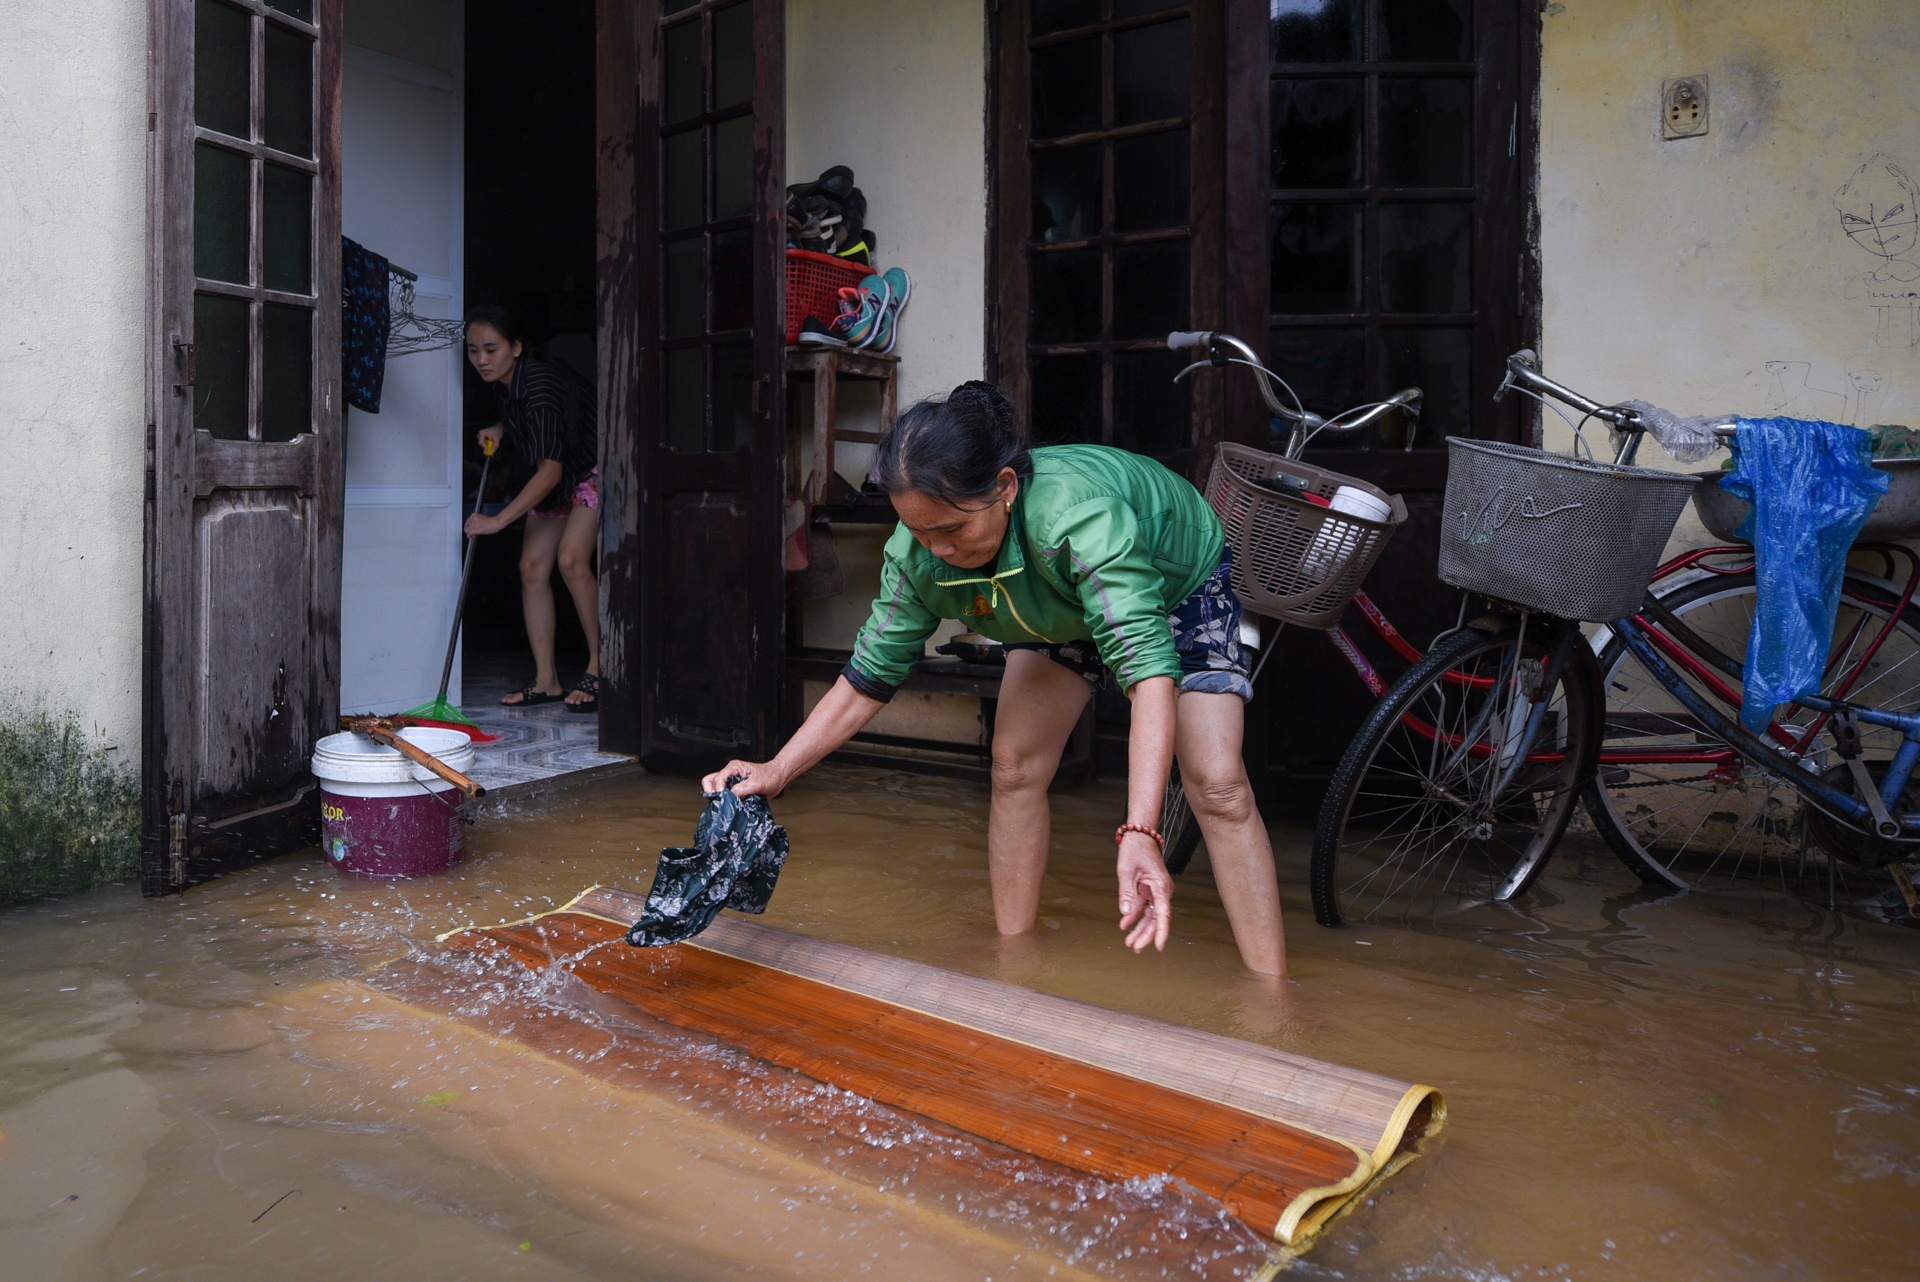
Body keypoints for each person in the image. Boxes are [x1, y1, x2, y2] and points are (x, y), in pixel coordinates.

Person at [702, 382, 1287, 977]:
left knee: (1217, 787)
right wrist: (777, 770)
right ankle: (1015, 964)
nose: (939, 550)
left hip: (1173, 581)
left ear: (1005, 488)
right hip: (1051, 597)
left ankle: (1275, 996)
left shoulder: (1077, 519)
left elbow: (1146, 672)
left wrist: (1141, 829)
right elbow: (870, 676)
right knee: (1014, 765)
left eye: (952, 529)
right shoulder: (918, 551)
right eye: (920, 530)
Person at [461, 304, 601, 711]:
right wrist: (501, 427)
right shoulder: (508, 384)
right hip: (561, 470)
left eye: (491, 349)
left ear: (516, 347)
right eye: (473, 351)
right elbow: (533, 419)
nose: (482, 360)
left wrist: (498, 521)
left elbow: (550, 472)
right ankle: (547, 680)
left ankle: (600, 668)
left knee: (572, 559)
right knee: (531, 568)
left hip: (591, 466)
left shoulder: (538, 385)